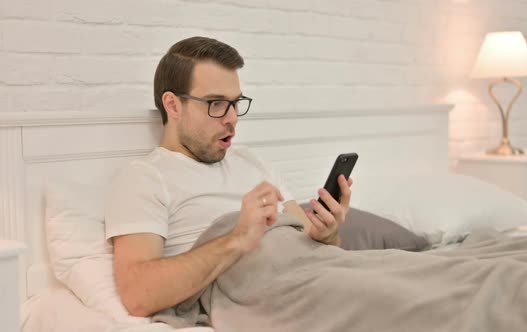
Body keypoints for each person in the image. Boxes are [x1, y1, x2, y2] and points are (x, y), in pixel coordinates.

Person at [105, 36, 354, 318]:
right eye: (216, 104)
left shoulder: (252, 162)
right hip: (278, 295)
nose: (232, 118)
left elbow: (312, 248)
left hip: (322, 276)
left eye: (236, 103)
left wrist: (328, 233)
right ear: (173, 105)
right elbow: (138, 295)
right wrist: (237, 238)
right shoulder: (145, 177)